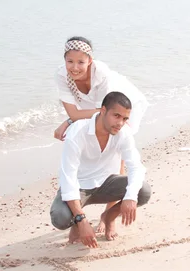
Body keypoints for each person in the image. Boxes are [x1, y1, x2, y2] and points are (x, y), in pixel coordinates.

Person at [53, 36, 149, 232]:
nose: (75, 67)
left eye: (81, 61)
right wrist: (72, 120)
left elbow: (105, 109)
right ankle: (77, 212)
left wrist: (70, 120)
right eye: (70, 61)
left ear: (90, 60)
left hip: (119, 104)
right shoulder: (61, 75)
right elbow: (76, 112)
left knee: (117, 154)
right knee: (84, 144)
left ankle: (109, 215)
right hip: (98, 109)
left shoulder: (101, 73)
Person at [49, 91, 151, 248]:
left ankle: (108, 217)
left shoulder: (123, 133)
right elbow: (68, 177)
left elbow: (136, 167)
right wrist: (81, 221)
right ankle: (76, 223)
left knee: (142, 191)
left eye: (124, 119)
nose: (120, 123)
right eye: (116, 116)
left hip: (107, 184)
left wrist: (130, 197)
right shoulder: (77, 132)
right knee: (60, 218)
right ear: (103, 111)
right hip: (79, 186)